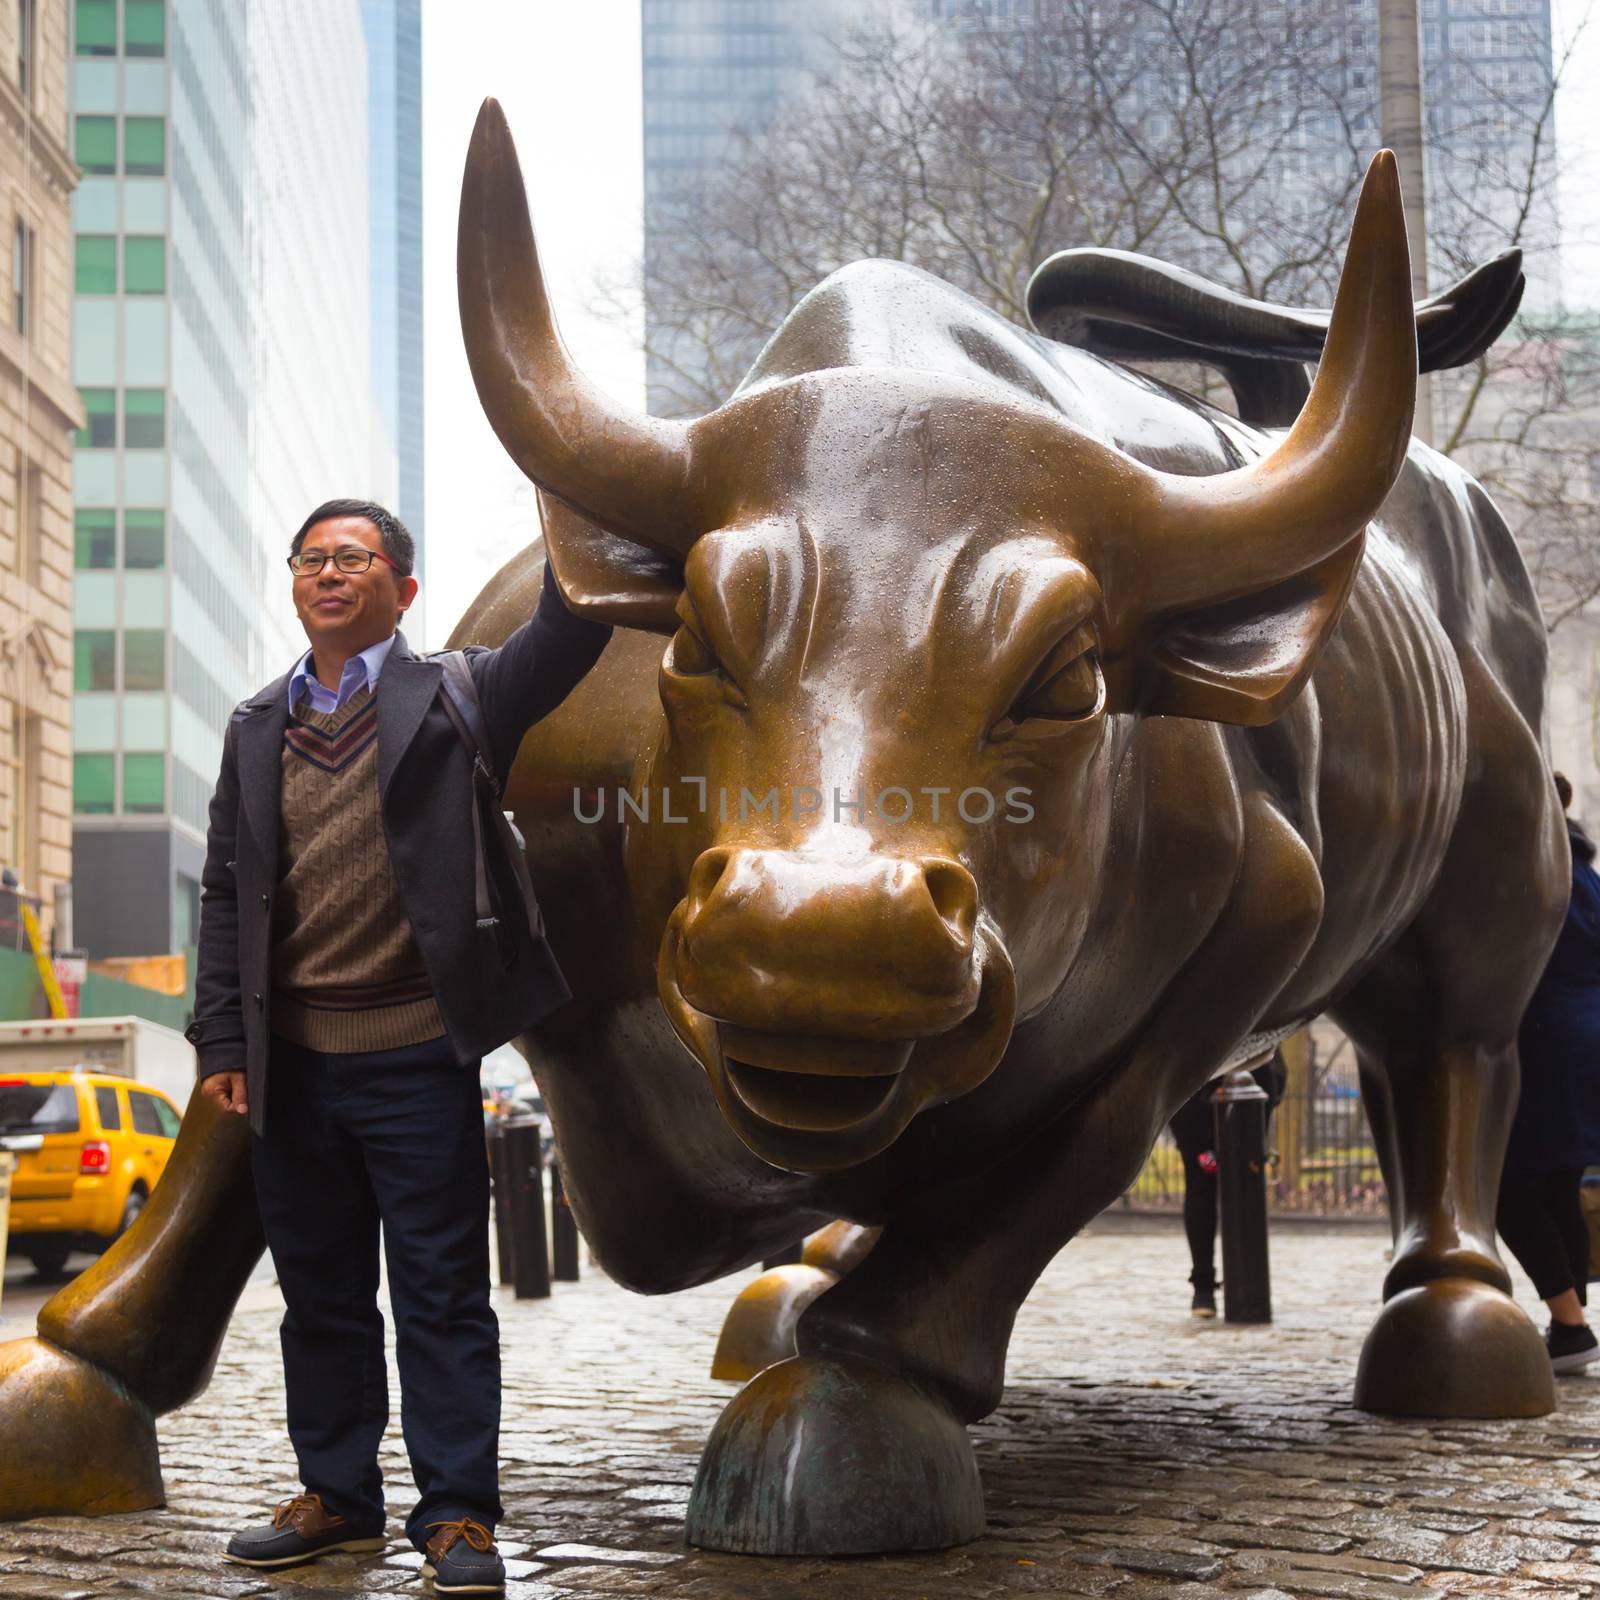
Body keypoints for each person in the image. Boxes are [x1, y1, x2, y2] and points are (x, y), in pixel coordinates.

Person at [185, 499, 611, 1594]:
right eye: (313, 558)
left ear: (401, 587)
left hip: (420, 1053)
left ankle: (457, 1514)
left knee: (440, 1293)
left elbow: (569, 631)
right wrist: (221, 1034)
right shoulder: (253, 724)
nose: (330, 573)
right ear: (295, 582)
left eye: (354, 558)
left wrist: (569, 505)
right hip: (295, 1064)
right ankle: (337, 1496)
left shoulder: (461, 692)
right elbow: (227, 888)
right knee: (320, 1297)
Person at [1497, 770, 1600, 1375]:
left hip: (1551, 1043)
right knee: (1558, 1184)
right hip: (1587, 1040)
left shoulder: (1531, 873)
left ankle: (1571, 1323)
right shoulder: (1586, 875)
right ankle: (1571, 1331)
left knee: (1510, 1192)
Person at [1169, 1051, 1287, 1317]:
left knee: (1243, 1180)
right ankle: (1205, 1286)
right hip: (1195, 1077)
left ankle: (1243, 1286)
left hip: (1248, 1070)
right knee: (1203, 1179)